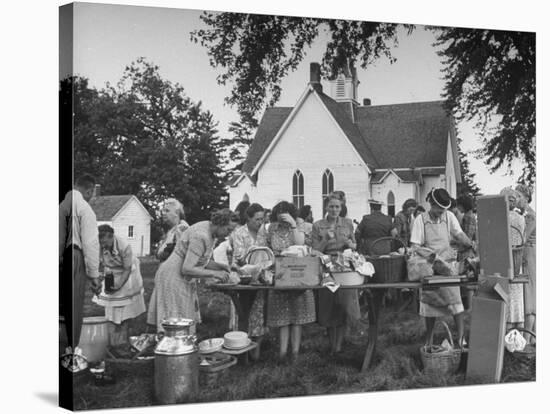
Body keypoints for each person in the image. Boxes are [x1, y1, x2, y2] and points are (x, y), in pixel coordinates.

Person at [147, 209, 240, 333]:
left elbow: (199, 260)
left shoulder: (210, 230)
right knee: (176, 321)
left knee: (184, 318)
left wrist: (222, 266)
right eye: (228, 229)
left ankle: (183, 347)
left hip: (180, 276)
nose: (228, 234)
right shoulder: (201, 235)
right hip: (173, 277)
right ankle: (172, 348)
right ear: (220, 223)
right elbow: (187, 268)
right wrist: (215, 273)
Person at [410, 188, 475, 347]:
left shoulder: (449, 216)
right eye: (438, 208)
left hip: (448, 267)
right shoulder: (421, 220)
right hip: (430, 267)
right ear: (431, 204)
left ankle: (460, 339)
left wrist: (471, 244)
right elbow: (415, 245)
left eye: (443, 209)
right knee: (430, 304)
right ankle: (429, 340)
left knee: (455, 302)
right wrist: (431, 257)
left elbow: (459, 234)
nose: (441, 212)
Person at [257, 201, 315, 361]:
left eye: (285, 215)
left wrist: (293, 224)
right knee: (283, 316)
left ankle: (295, 353)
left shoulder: (298, 227)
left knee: (297, 315)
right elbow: (263, 249)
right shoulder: (270, 229)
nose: (282, 221)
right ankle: (282, 353)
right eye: (280, 216)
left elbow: (300, 244)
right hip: (279, 272)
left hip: (297, 273)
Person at [59, 174, 102, 365]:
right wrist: (94, 274)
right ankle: (70, 358)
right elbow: (91, 243)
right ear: (89, 190)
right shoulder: (84, 208)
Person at [312, 193, 359, 353]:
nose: (334, 209)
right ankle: (332, 345)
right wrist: (325, 239)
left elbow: (354, 245)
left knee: (343, 305)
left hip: (344, 267)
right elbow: (314, 250)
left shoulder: (348, 223)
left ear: (341, 207)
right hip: (327, 268)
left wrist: (350, 244)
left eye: (337, 206)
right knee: (329, 306)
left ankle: (339, 345)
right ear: (326, 207)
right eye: (331, 206)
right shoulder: (318, 225)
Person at [93, 225, 147, 345]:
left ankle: (123, 338)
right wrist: (97, 281)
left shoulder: (124, 246)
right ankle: (113, 339)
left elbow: (127, 269)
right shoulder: (98, 245)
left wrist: (118, 285)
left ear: (111, 237)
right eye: (101, 243)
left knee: (125, 307)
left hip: (128, 272)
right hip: (110, 270)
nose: (103, 246)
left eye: (105, 243)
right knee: (110, 303)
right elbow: (98, 266)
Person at [229, 203, 267, 358]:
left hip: (260, 280)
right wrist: (254, 268)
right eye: (257, 219)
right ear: (248, 218)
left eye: (262, 219)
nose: (260, 222)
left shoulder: (263, 234)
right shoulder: (239, 233)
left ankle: (256, 354)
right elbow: (239, 258)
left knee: (258, 315)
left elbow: (266, 255)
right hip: (242, 279)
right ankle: (241, 352)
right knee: (243, 314)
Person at [500, 188, 525, 328]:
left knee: (507, 297)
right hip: (517, 261)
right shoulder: (520, 218)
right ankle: (519, 333)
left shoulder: (502, 217)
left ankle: (507, 331)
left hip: (504, 261)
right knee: (518, 300)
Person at [515, 184, 536, 343]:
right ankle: (532, 336)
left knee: (529, 293)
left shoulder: (530, 215)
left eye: (519, 197)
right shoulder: (525, 214)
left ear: (526, 198)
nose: (517, 200)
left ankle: (528, 338)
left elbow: (523, 238)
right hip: (528, 254)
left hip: (529, 255)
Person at [156, 198, 190, 262]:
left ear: (176, 213)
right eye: (163, 211)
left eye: (167, 211)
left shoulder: (182, 229)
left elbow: (181, 255)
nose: (163, 213)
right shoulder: (171, 231)